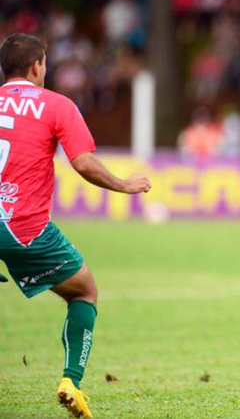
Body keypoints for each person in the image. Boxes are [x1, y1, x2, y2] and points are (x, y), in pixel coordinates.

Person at [0, 33, 151, 418]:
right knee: (84, 291)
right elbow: (82, 163)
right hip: (22, 226)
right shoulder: (57, 105)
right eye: (45, 64)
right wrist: (124, 185)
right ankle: (71, 381)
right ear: (37, 67)